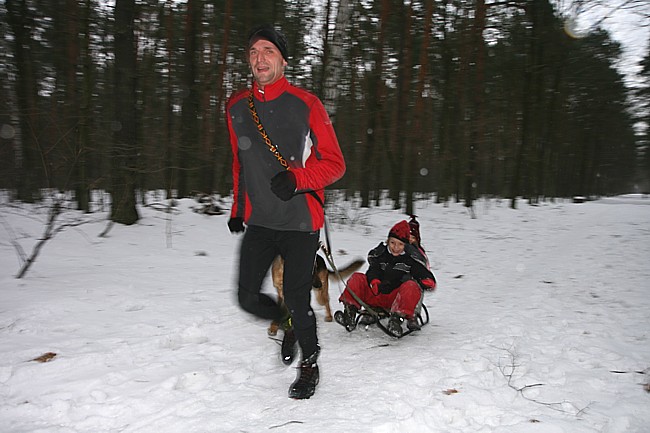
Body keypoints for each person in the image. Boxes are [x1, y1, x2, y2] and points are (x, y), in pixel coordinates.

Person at [226, 24, 346, 400]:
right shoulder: (236, 106)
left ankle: (310, 362)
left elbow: (336, 164)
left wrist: (298, 179)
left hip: (300, 220)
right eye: (253, 52)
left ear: (283, 61)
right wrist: (237, 208)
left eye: (268, 51)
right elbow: (240, 162)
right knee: (247, 297)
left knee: (296, 295)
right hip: (261, 220)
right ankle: (288, 322)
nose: (259, 58)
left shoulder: (306, 104)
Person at [336, 220, 436, 337]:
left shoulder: (409, 261)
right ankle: (350, 313)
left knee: (411, 286)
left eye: (400, 244)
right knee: (357, 278)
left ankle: (396, 320)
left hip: (395, 300)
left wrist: (427, 280)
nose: (396, 247)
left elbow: (422, 272)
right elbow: (373, 270)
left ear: (405, 245)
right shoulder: (381, 255)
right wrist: (374, 281)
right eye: (393, 243)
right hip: (376, 293)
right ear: (388, 241)